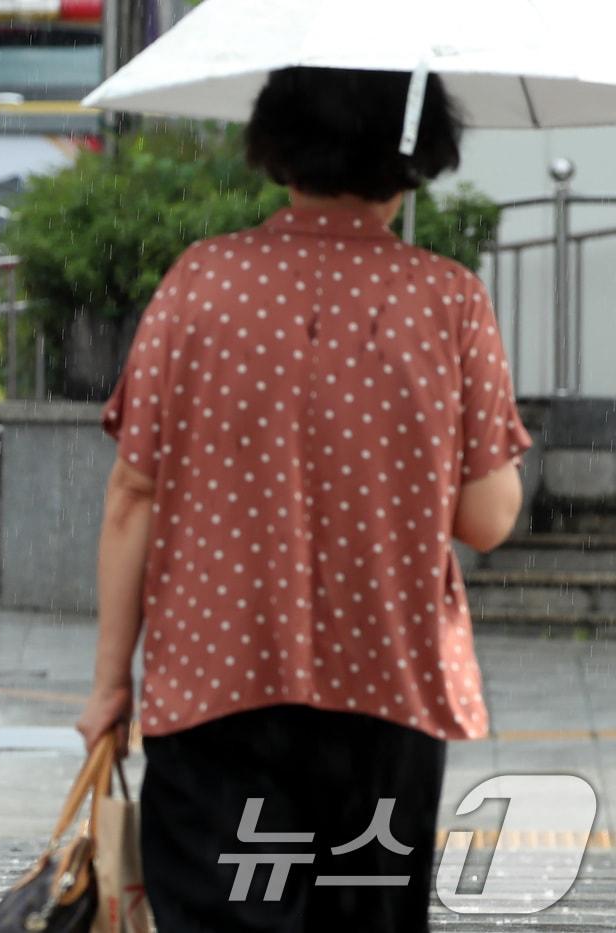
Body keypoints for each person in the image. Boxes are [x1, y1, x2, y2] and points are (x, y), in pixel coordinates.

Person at [77, 68, 528, 932]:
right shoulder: (447, 298)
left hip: (213, 681)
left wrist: (109, 686)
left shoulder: (202, 283)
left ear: (279, 146)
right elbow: (489, 518)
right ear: (414, 158)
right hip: (387, 691)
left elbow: (132, 494)